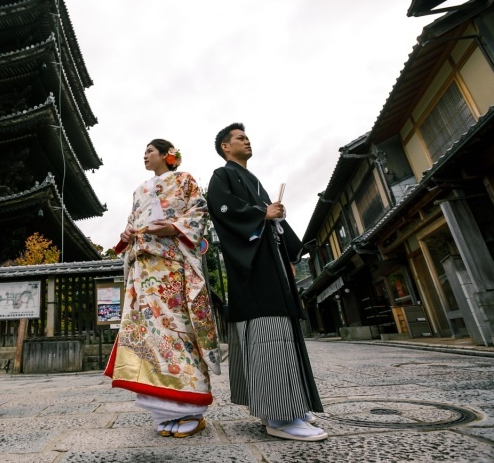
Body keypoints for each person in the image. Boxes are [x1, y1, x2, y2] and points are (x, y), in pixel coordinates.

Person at [207, 123, 327, 442]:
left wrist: (281, 228)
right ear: (225, 148)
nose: (247, 141)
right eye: (239, 138)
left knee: (282, 330)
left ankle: (291, 405)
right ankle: (279, 416)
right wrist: (263, 213)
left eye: (247, 137)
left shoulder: (254, 181)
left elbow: (269, 219)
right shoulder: (223, 176)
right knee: (267, 331)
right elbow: (223, 210)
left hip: (270, 265)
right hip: (252, 270)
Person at [105, 139, 221, 438]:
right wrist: (128, 232)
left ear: (169, 155)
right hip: (144, 268)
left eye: (150, 151)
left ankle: (190, 407)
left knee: (178, 330)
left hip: (171, 265)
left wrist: (173, 227)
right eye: (143, 151)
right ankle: (163, 409)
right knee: (150, 334)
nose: (145, 155)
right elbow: (132, 222)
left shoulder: (185, 180)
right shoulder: (139, 190)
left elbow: (199, 213)